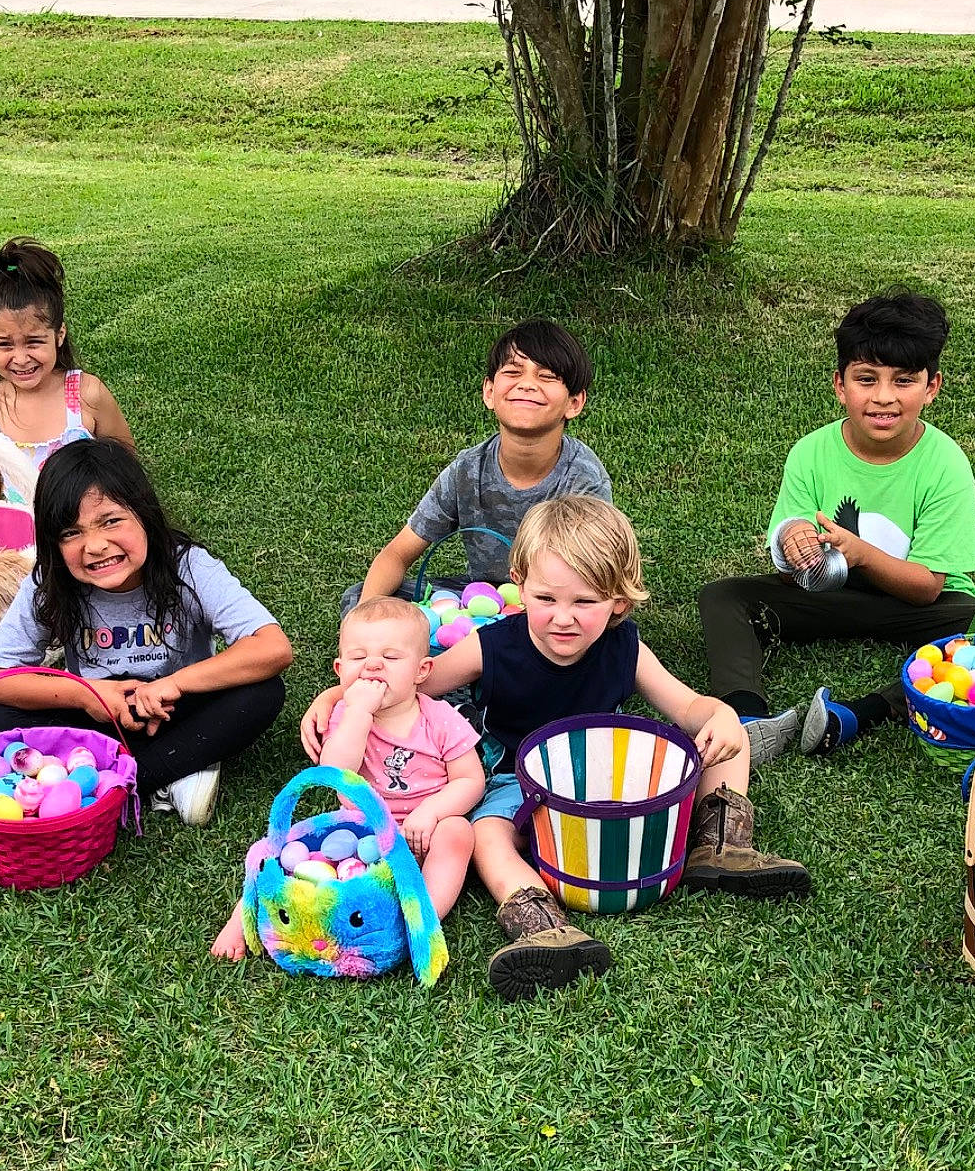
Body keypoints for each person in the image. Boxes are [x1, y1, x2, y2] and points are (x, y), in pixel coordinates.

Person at [303, 495, 809, 1002]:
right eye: (546, 599)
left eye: (585, 602)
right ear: (520, 584)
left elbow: (688, 706)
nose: (563, 618)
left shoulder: (625, 647)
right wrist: (343, 694)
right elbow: (416, 684)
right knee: (486, 836)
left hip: (604, 776)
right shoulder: (493, 645)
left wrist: (719, 714)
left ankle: (721, 847)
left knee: (731, 736)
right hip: (516, 786)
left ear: (619, 602)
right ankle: (540, 922)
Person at [696, 291, 975, 762]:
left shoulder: (946, 463)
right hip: (830, 596)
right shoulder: (811, 452)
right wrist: (794, 543)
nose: (883, 397)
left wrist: (859, 552)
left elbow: (927, 588)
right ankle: (747, 718)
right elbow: (792, 571)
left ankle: (866, 712)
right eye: (866, 379)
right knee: (723, 597)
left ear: (932, 387)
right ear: (840, 384)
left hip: (916, 606)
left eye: (903, 381)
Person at [0, 439, 291, 826]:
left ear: (145, 514)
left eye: (110, 520)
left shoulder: (188, 566)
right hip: (100, 711)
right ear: (53, 543)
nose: (96, 546)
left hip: (178, 706)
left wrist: (175, 685)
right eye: (71, 533)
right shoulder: (48, 582)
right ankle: (172, 770)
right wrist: (87, 695)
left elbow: (273, 648)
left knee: (263, 692)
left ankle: (121, 782)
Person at [211, 596, 485, 960]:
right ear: (340, 669)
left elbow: (470, 780)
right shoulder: (346, 714)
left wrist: (432, 812)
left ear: (422, 670)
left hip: (426, 830)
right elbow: (336, 771)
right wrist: (359, 712)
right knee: (287, 847)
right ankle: (241, 920)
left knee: (459, 832)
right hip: (361, 828)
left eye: (390, 657)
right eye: (359, 657)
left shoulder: (441, 719)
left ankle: (421, 917)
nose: (372, 665)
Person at [344, 320, 611, 614]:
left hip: (552, 605)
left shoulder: (583, 479)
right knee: (362, 597)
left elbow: (591, 578)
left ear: (574, 402)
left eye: (547, 376)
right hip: (482, 600)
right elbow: (396, 554)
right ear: (489, 392)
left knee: (606, 626)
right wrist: (365, 619)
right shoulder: (468, 470)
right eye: (512, 372)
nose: (527, 384)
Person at [0, 237, 135, 502]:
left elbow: (127, 469)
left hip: (88, 539)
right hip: (21, 541)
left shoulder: (88, 394)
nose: (21, 358)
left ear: (59, 335)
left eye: (34, 341)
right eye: (3, 344)